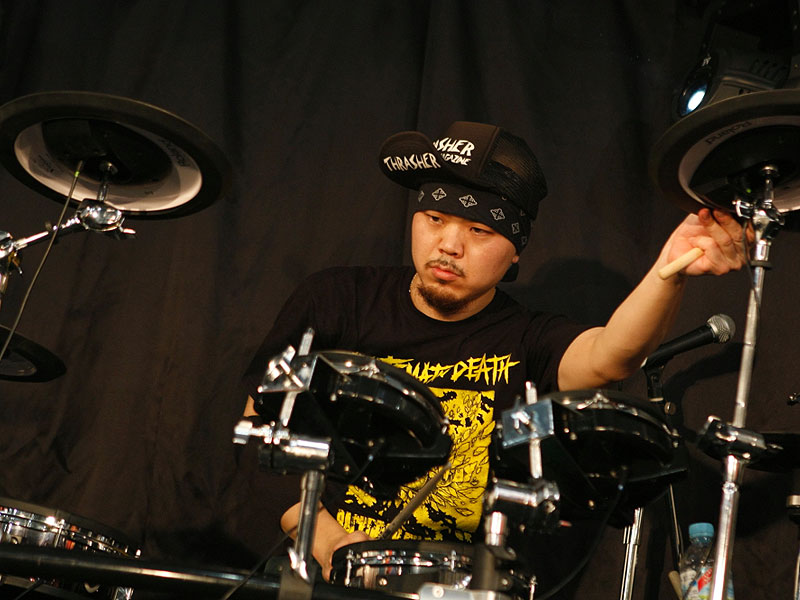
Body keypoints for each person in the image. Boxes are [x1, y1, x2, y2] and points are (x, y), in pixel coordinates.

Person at [243, 121, 747, 580]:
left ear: (515, 251)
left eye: (479, 230)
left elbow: (611, 354)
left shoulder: (526, 337)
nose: (448, 245)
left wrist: (669, 272)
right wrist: (330, 543)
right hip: (320, 568)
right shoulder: (337, 298)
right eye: (434, 218)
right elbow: (258, 430)